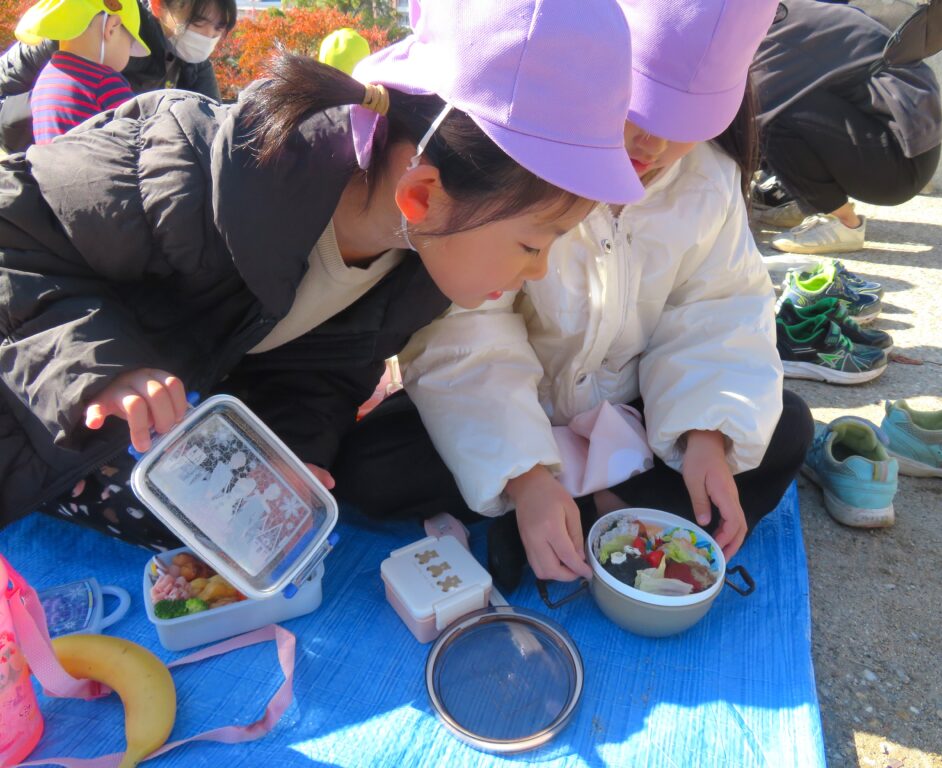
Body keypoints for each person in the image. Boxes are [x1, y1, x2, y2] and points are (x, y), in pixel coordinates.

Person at [0, 0, 644, 547]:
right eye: (534, 243)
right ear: (422, 194)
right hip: (32, 410)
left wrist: (293, 454)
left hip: (136, 440)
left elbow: (320, 372)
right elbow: (13, 238)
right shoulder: (185, 168)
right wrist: (105, 368)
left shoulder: (412, 271)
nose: (539, 271)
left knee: (236, 529)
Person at [330, 0, 815, 590]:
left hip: (638, 409)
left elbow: (719, 312)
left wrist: (705, 435)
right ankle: (578, 509)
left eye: (686, 125)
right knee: (368, 471)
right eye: (640, 107)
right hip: (520, 407)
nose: (654, 144)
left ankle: (571, 518)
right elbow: (466, 331)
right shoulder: (527, 158)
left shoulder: (708, 182)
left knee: (784, 426)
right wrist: (528, 474)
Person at [750, 0, 942, 255]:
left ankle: (841, 223)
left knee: (773, 118)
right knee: (776, 107)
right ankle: (802, 202)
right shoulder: (779, 15)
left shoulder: (769, 35)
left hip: (898, 164)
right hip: (904, 143)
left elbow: (738, 119)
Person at [0, 0, 236, 152]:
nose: (208, 36)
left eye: (218, 28)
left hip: (63, 161)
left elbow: (215, 128)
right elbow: (8, 72)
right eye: (197, 23)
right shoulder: (96, 26)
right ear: (158, 7)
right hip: (26, 143)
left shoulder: (195, 63)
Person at [14, 0, 151, 144]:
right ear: (111, 28)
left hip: (49, 165)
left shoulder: (46, 77)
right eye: (130, 44)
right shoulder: (105, 81)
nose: (129, 55)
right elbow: (140, 139)